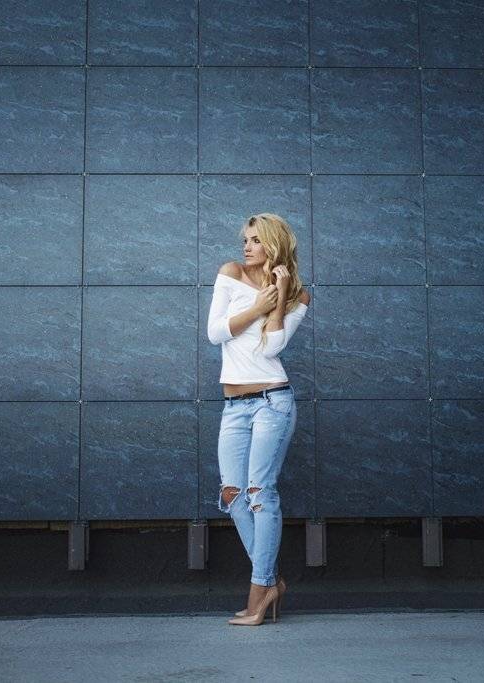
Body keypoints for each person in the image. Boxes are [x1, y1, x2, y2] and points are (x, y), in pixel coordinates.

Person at [206, 212, 310, 626]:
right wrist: (257, 307)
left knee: (260, 494)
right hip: (234, 405)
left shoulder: (299, 294)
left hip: (273, 402)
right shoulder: (230, 273)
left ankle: (259, 592)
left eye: (254, 240)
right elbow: (215, 333)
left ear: (274, 245)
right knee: (233, 495)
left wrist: (280, 296)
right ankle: (271, 583)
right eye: (245, 239)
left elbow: (271, 349)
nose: (245, 247)